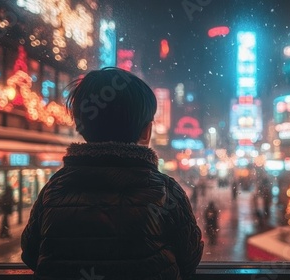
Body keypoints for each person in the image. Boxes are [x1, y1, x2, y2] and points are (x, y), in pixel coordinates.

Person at [21, 67, 203, 280]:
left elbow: (31, 253)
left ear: (82, 127)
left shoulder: (55, 187)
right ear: (147, 131)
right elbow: (190, 258)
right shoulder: (166, 190)